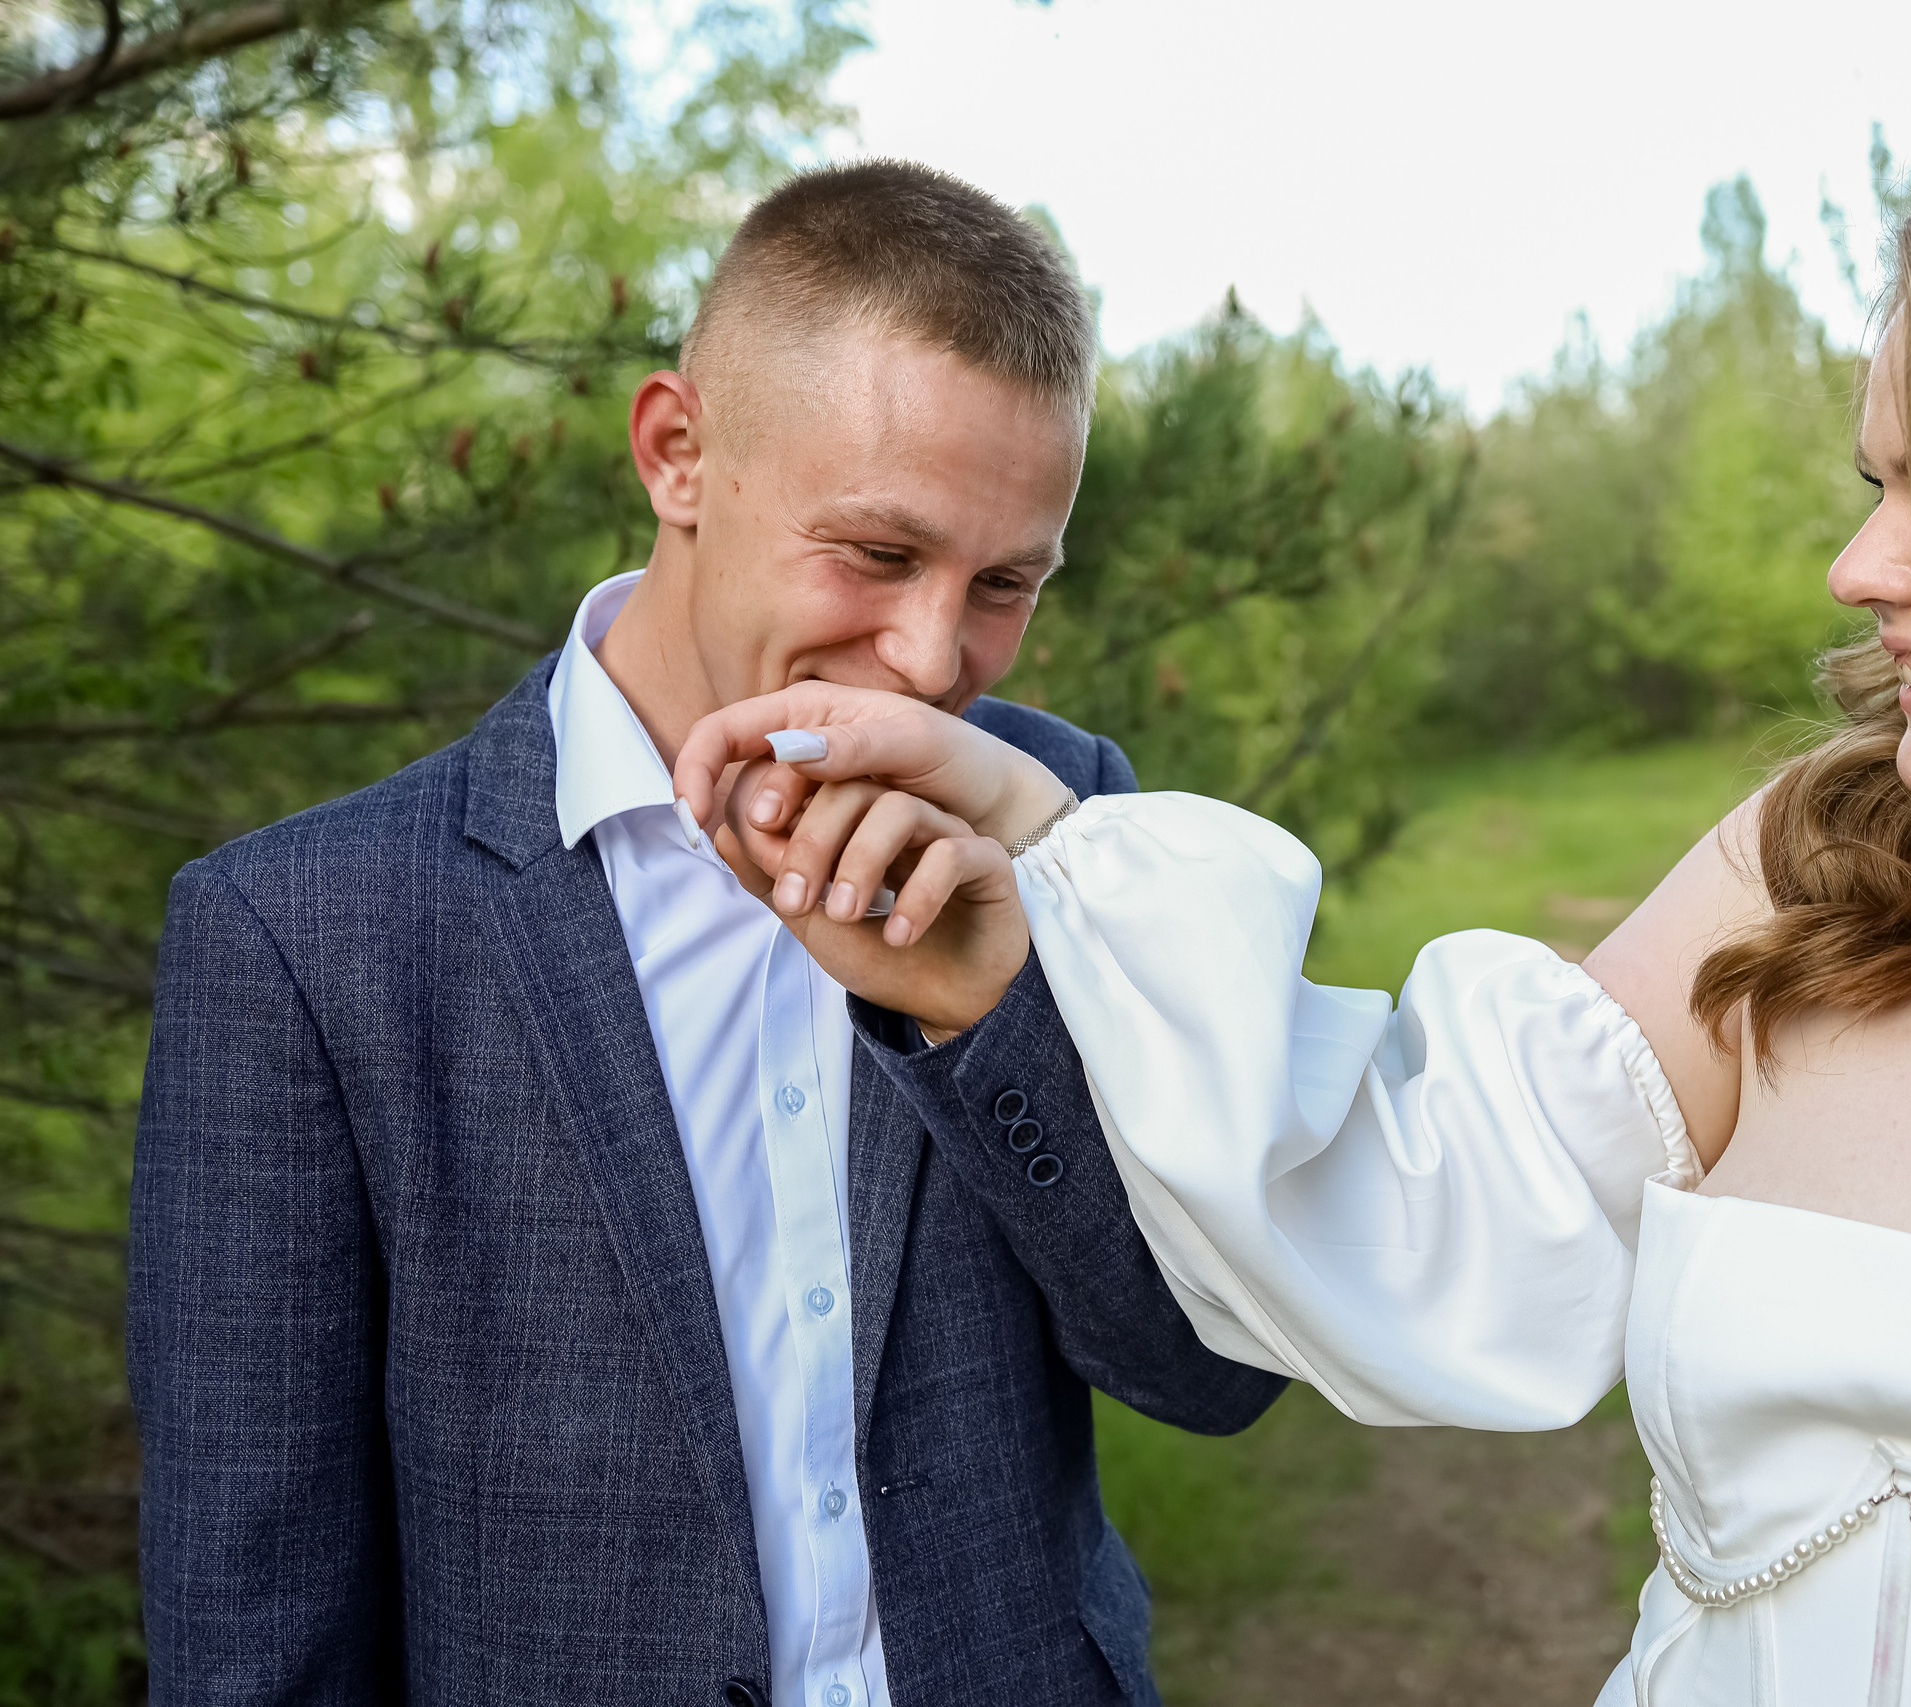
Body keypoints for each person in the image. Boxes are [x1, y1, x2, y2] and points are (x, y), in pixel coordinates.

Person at [680, 131, 1911, 1704]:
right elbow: (1414, 1218)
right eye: (1869, 484)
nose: (1860, 568)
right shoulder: (1823, 884)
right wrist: (1035, 873)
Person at [128, 161, 1285, 1707]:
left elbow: (1209, 1373)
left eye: (1005, 582)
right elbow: (256, 1617)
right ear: (680, 454)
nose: (935, 657)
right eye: (879, 555)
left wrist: (981, 1012)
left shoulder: (1068, 813)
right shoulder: (301, 937)